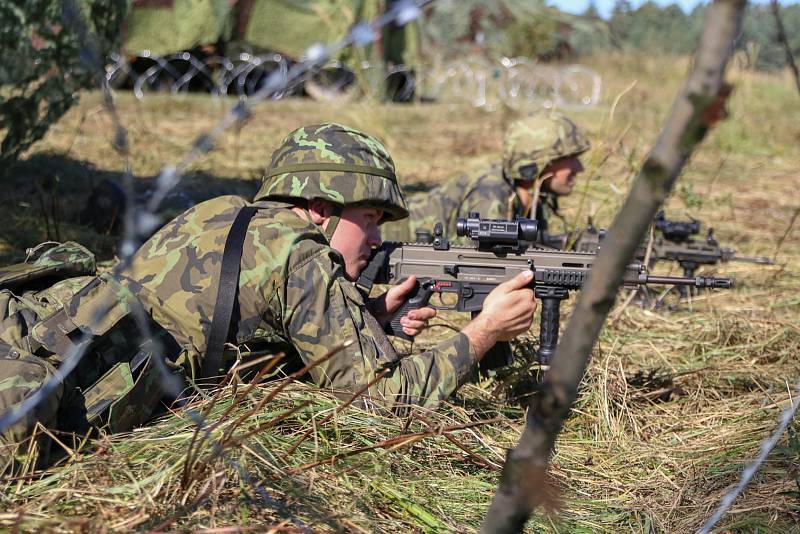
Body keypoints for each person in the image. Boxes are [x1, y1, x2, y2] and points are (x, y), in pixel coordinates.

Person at [0, 123, 537, 457]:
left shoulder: (221, 211)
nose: (376, 238)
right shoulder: (301, 253)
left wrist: (365, 315)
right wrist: (484, 331)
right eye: (370, 218)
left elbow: (238, 325)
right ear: (323, 208)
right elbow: (379, 401)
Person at [381, 111, 590, 247]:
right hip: (385, 234)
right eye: (569, 159)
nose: (579, 168)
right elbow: (481, 263)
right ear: (537, 164)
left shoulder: (529, 195)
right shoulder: (492, 194)